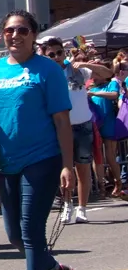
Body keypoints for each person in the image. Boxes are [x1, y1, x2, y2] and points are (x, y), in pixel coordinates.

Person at [0, 10, 76, 270]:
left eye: (22, 30)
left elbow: (62, 121)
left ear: (33, 35)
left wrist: (68, 165)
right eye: (9, 30)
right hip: (7, 163)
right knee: (15, 236)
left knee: (32, 231)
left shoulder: (48, 70)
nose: (15, 35)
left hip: (42, 159)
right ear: (2, 35)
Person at [38, 37, 112, 224]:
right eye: (51, 55)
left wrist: (85, 63)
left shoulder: (78, 71)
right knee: (64, 169)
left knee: (83, 169)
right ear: (46, 57)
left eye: (59, 52)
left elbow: (108, 73)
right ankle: (67, 205)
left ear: (64, 52)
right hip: (60, 127)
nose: (56, 57)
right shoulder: (46, 75)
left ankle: (82, 208)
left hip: (83, 125)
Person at [88, 61, 126, 199]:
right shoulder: (89, 87)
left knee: (110, 156)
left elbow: (114, 95)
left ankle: (118, 183)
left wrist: (95, 93)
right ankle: (101, 186)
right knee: (97, 156)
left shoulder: (111, 84)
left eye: (96, 73)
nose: (94, 76)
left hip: (109, 123)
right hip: (95, 125)